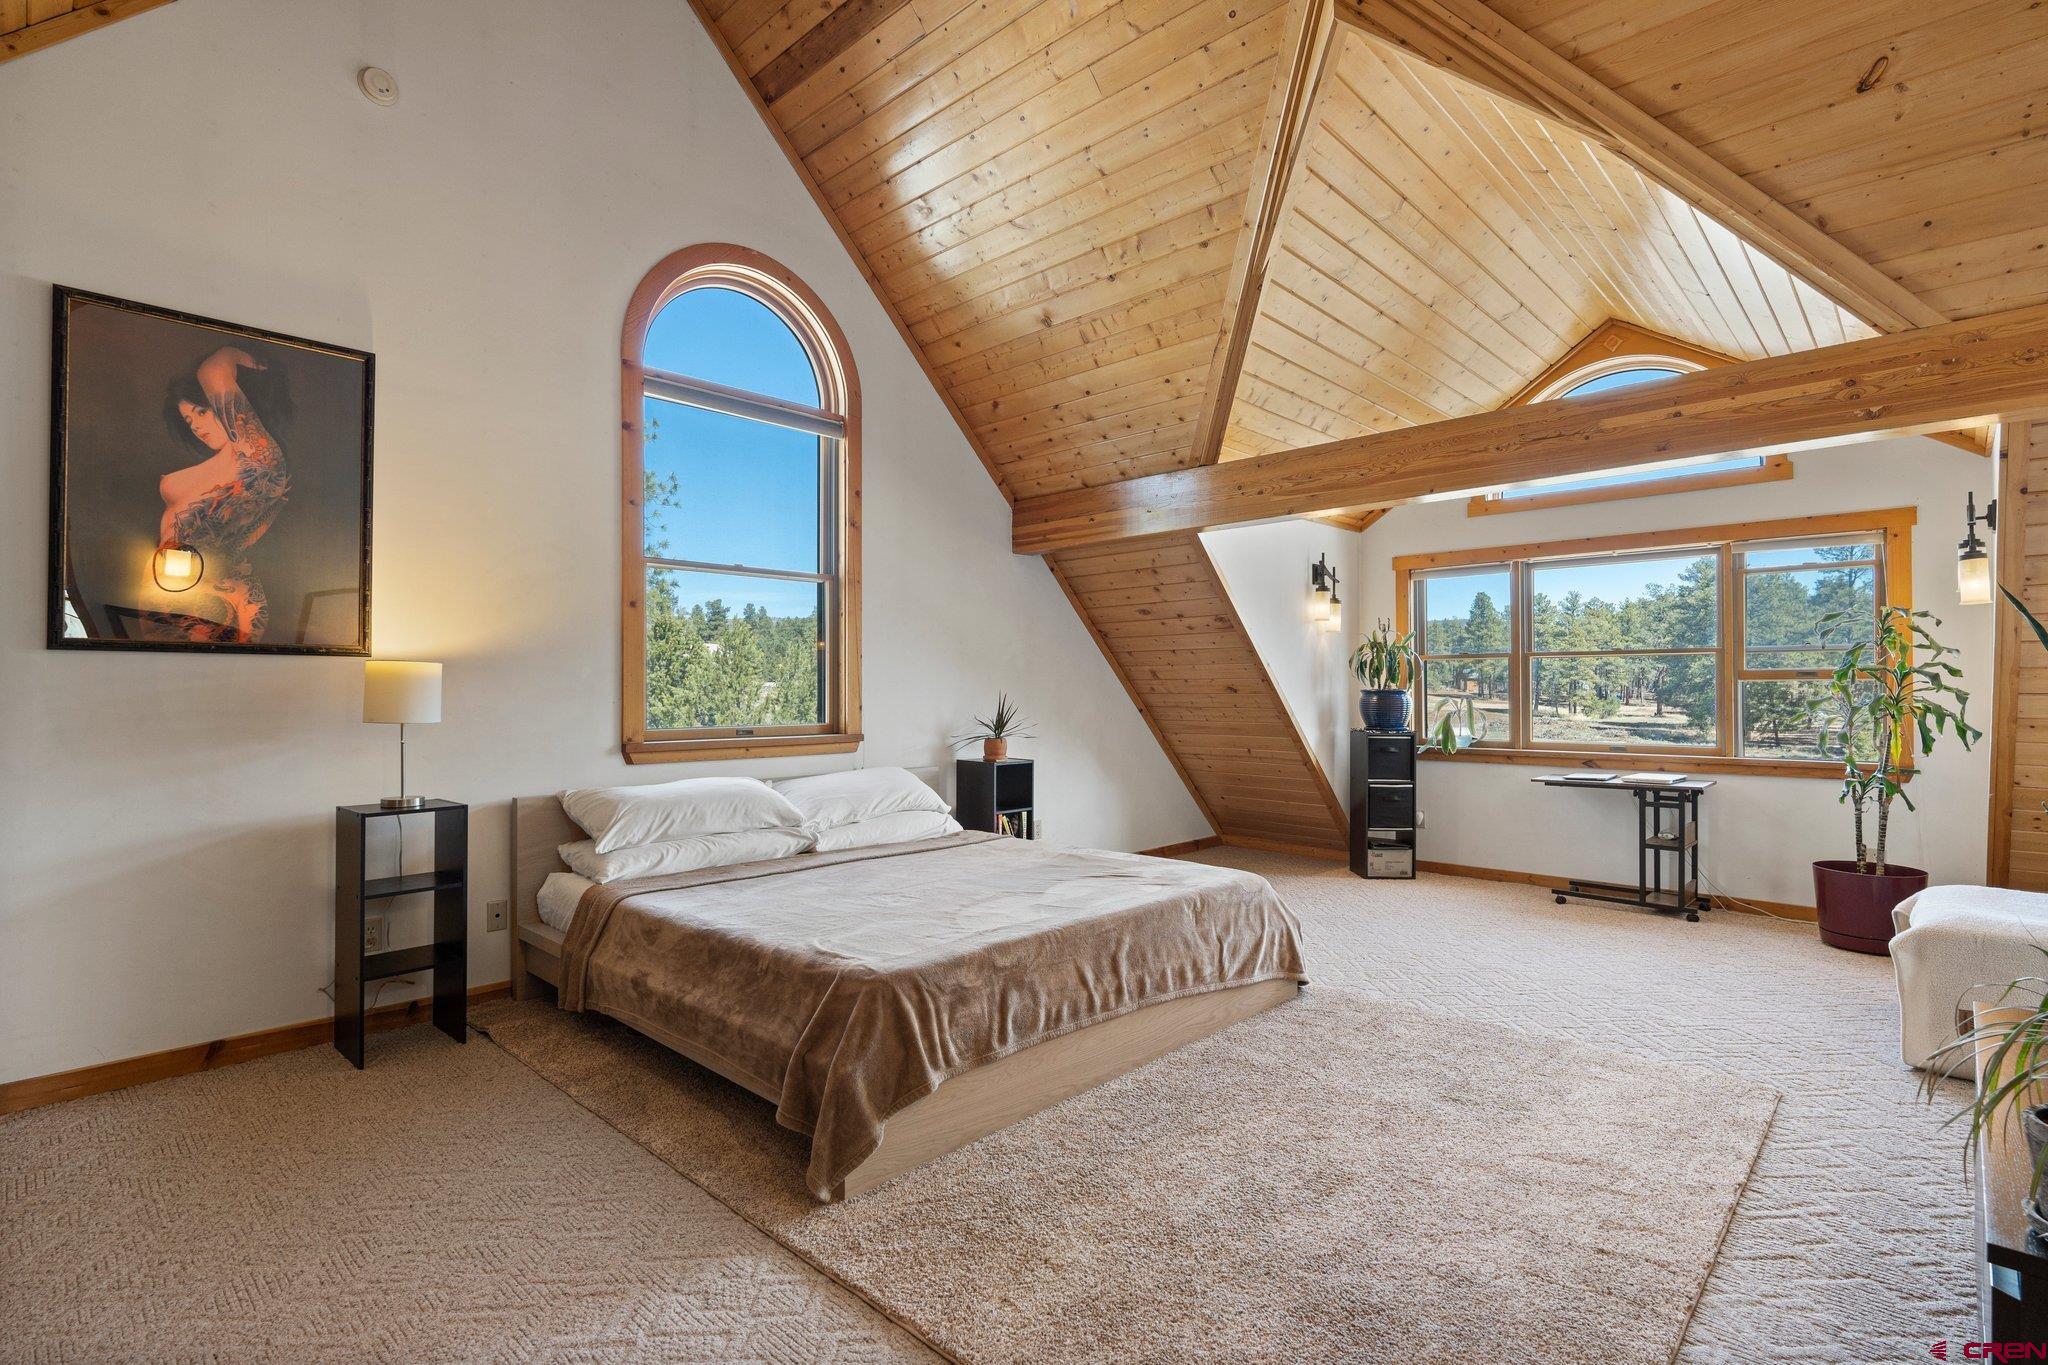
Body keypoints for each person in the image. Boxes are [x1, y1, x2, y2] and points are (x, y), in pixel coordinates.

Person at [152, 345, 289, 642]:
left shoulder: (257, 455)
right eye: (189, 421)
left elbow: (212, 370)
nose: (197, 427)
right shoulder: (221, 465)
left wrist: (248, 358)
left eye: (202, 411)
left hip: (218, 598)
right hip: (175, 599)